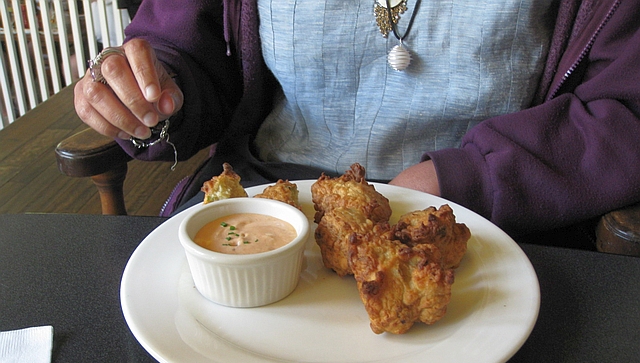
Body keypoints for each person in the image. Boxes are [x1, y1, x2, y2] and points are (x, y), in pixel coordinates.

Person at [73, 0, 640, 246]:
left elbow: (624, 111)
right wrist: (145, 98)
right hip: (265, 202)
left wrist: (466, 181)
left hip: (498, 224)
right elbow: (183, 54)